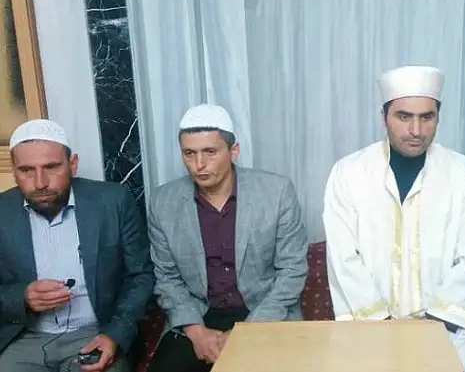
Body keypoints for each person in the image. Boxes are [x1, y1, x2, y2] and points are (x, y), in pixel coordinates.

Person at [323, 65, 465, 372]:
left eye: (427, 117)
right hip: (368, 328)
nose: (416, 130)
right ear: (383, 117)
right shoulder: (348, 173)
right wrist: (383, 323)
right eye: (404, 117)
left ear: (438, 117)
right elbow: (343, 257)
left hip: (445, 331)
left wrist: (433, 323)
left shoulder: (461, 172)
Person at [147, 104, 308, 372]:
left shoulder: (276, 192)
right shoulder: (163, 201)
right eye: (189, 153)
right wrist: (196, 332)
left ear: (234, 150)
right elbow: (166, 277)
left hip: (266, 314)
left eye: (210, 152)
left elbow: (292, 271)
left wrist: (248, 331)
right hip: (198, 316)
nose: (199, 164)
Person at [0, 119, 154, 372]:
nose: (40, 182)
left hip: (95, 334)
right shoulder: (2, 211)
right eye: (27, 170)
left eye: (51, 167)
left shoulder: (113, 201)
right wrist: (22, 298)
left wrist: (115, 334)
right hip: (24, 339)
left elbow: (141, 275)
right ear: (14, 171)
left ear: (72, 165)